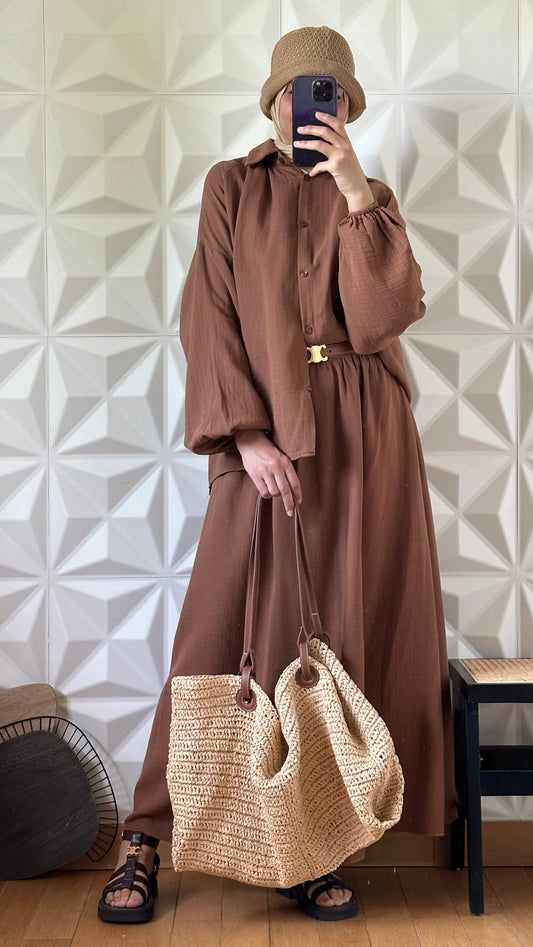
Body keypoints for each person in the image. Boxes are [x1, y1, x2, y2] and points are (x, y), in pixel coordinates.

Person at [98, 25, 456, 925]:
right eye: (299, 90)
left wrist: (354, 189)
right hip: (262, 433)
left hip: (367, 435)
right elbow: (208, 315)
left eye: (327, 92)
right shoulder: (230, 186)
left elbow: (380, 318)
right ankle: (143, 835)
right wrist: (247, 437)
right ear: (273, 102)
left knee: (341, 633)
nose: (310, 105)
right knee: (216, 632)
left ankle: (310, 844)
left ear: (347, 108)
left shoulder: (367, 198)